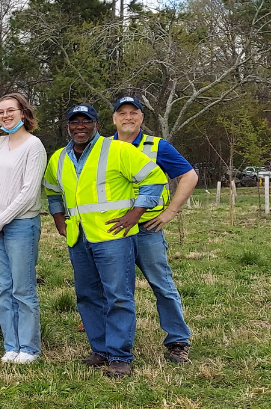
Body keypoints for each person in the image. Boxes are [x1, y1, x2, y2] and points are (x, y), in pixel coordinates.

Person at [43, 103, 168, 378]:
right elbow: (52, 191)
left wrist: (136, 213)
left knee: (118, 296)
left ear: (96, 124)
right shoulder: (58, 159)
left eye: (85, 121)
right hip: (79, 237)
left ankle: (120, 356)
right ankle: (100, 350)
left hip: (113, 236)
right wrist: (58, 219)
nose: (80, 127)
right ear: (67, 126)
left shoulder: (118, 150)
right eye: (74, 122)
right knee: (87, 296)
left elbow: (155, 179)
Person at [110, 96, 198, 363]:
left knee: (162, 284)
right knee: (114, 289)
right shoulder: (103, 148)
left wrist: (170, 212)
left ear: (141, 118)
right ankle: (114, 344)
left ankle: (178, 340)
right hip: (114, 230)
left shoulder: (156, 146)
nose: (128, 117)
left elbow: (189, 175)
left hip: (147, 228)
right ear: (114, 119)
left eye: (133, 113)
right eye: (122, 113)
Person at [0, 93, 47, 364]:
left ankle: (29, 348)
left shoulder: (34, 146)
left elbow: (30, 193)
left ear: (23, 112)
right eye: (0, 112)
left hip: (20, 225)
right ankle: (11, 345)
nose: (5, 115)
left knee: (23, 289)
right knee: (3, 287)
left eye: (11, 110)